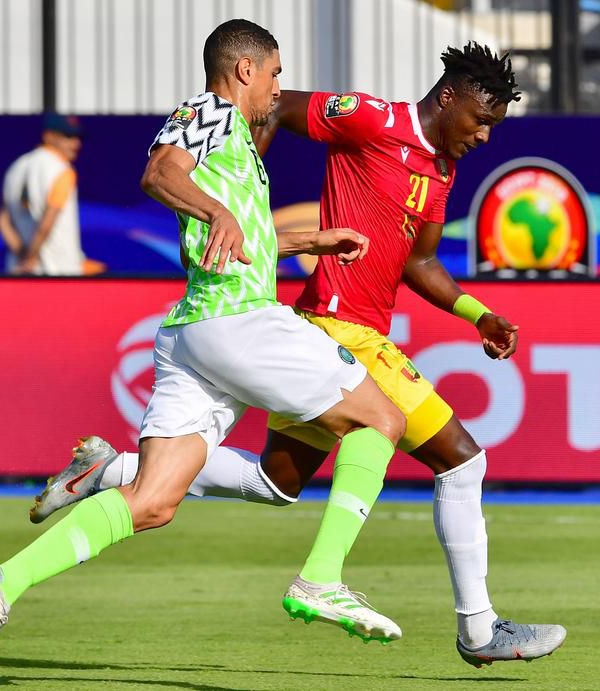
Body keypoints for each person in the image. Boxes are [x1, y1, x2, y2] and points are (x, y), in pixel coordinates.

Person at [31, 42, 567, 668]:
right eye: (480, 119)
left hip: (354, 332)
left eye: (493, 126)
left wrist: (478, 314)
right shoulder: (370, 118)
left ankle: (113, 473)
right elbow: (277, 106)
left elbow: (419, 262)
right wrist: (242, 194)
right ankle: (478, 630)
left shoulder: (441, 172)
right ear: (448, 97)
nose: (483, 134)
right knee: (462, 461)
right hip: (342, 331)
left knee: (276, 483)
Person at [0, 19, 412, 680]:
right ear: (246, 69)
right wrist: (216, 212)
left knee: (154, 500)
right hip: (238, 322)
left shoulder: (237, 144)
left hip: (196, 332)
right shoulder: (209, 111)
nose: (278, 88)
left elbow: (232, 239)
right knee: (382, 417)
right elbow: (160, 172)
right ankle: (320, 578)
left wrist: (305, 242)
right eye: (276, 73)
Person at [0, 113, 103, 275]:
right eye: (68, 136)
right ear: (48, 136)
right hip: (58, 271)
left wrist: (22, 255)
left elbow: (3, 222)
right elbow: (48, 220)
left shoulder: (15, 168)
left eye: (77, 137)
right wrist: (31, 257)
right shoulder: (60, 169)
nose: (76, 143)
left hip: (19, 270)